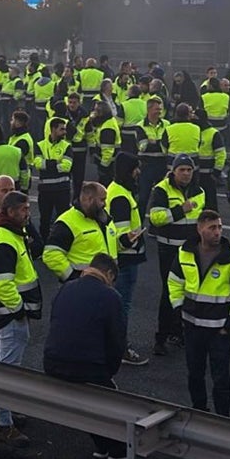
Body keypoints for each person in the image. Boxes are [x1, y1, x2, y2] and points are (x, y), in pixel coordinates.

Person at [167, 209, 230, 417]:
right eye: (212, 228)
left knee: (221, 378)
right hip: (192, 327)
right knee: (195, 374)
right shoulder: (184, 253)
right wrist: (179, 309)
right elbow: (174, 282)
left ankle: (222, 418)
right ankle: (199, 410)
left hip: (219, 331)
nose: (217, 232)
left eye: (219, 227)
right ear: (200, 229)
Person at [43, 253, 127, 459]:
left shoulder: (65, 288)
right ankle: (117, 450)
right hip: (86, 367)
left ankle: (101, 446)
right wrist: (109, 371)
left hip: (52, 362)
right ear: (108, 274)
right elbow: (116, 343)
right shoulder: (111, 297)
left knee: (90, 393)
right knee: (109, 396)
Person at [0, 190, 40, 446]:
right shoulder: (5, 240)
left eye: (28, 208)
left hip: (10, 312)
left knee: (5, 364)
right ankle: (5, 425)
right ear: (9, 212)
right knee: (8, 370)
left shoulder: (11, 234)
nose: (28, 213)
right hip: (10, 314)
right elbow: (2, 284)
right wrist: (18, 310)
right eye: (23, 209)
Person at [148, 154, 205, 355]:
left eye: (189, 170)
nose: (186, 173)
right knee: (169, 292)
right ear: (174, 171)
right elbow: (156, 218)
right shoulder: (161, 189)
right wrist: (181, 209)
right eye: (182, 170)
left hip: (191, 250)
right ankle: (161, 338)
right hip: (169, 249)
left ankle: (179, 332)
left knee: (190, 291)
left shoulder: (199, 190)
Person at [105, 152, 148, 365]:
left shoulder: (117, 190)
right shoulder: (121, 195)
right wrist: (132, 239)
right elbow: (122, 236)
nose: (138, 172)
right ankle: (120, 347)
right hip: (126, 259)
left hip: (123, 258)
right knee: (122, 305)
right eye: (135, 168)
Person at [41, 181, 118, 283]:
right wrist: (73, 277)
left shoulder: (102, 217)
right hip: (83, 286)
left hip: (105, 281)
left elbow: (108, 242)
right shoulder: (67, 222)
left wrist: (125, 240)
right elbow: (50, 254)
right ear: (90, 199)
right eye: (102, 200)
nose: (105, 204)